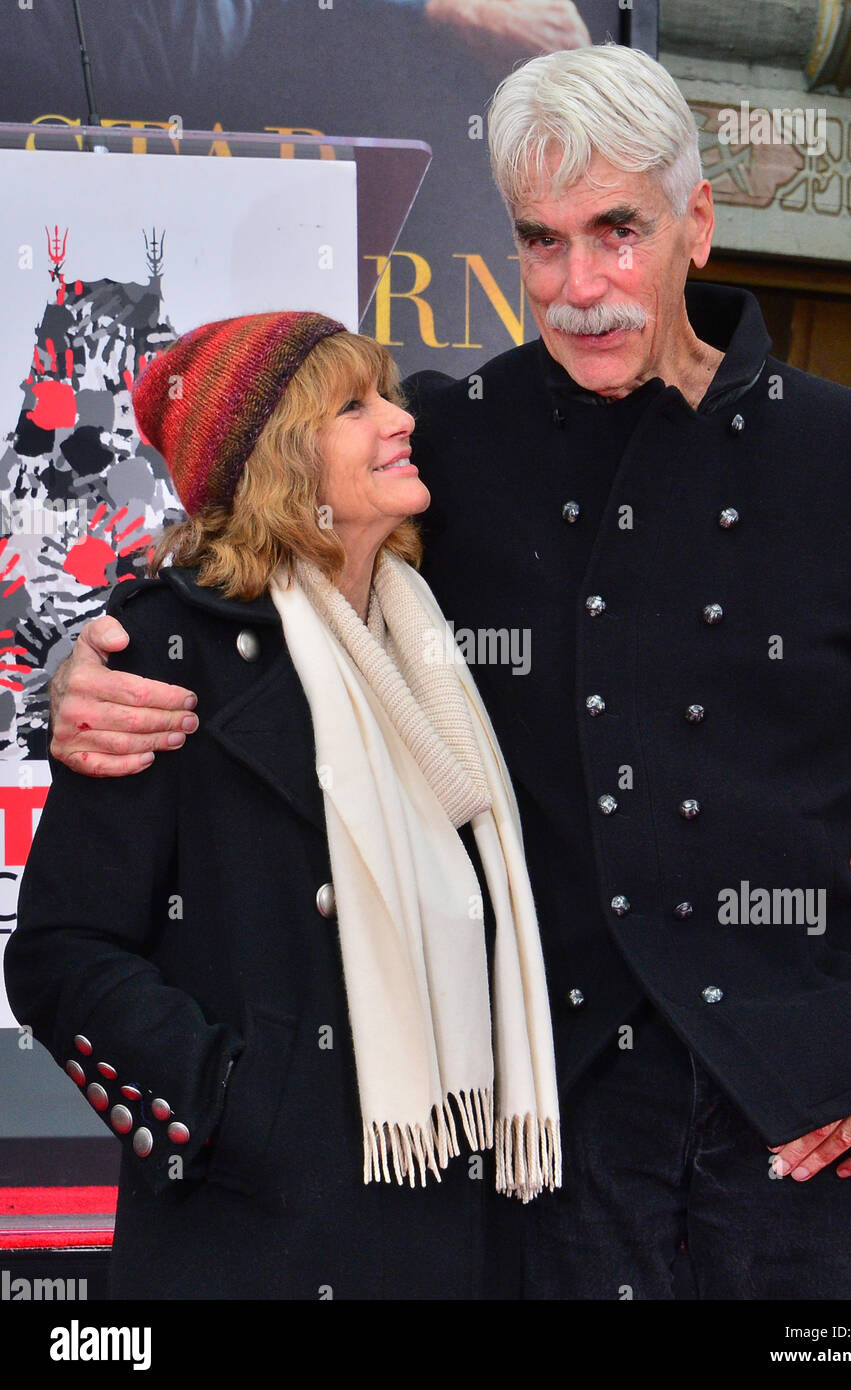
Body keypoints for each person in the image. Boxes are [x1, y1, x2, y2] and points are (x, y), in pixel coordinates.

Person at [41, 43, 851, 1301]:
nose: (579, 286)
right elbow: (257, 555)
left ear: (698, 223)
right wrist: (75, 664)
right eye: (540, 241)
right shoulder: (446, 448)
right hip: (548, 1131)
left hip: (803, 1121)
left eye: (617, 231)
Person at [4, 310, 560, 1300]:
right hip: (256, 1239)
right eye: (356, 406)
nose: (400, 420)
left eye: (388, 395)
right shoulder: (168, 647)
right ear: (281, 463)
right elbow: (60, 952)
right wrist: (234, 1104)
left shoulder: (429, 637)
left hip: (455, 1220)